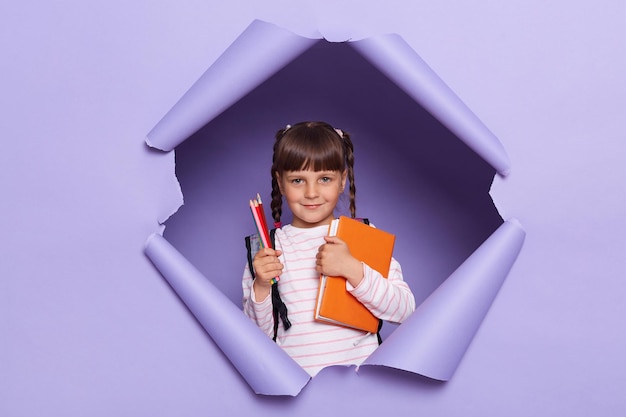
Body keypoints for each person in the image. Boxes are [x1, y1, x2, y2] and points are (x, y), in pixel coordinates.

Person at [242, 121, 415, 376]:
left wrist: (352, 269)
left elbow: (405, 310)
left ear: (342, 180)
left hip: (361, 387)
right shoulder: (268, 248)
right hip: (298, 389)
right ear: (280, 182)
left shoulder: (364, 236)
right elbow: (254, 338)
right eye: (298, 180)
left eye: (324, 179)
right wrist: (261, 286)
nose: (311, 193)